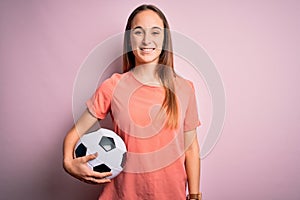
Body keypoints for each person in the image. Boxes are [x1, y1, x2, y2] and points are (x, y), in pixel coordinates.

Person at [63, 4, 202, 200]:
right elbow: (73, 134)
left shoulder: (185, 88)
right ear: (129, 39)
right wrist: (69, 164)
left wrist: (195, 195)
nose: (146, 40)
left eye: (155, 32)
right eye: (139, 32)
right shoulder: (113, 86)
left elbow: (191, 148)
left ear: (165, 39)